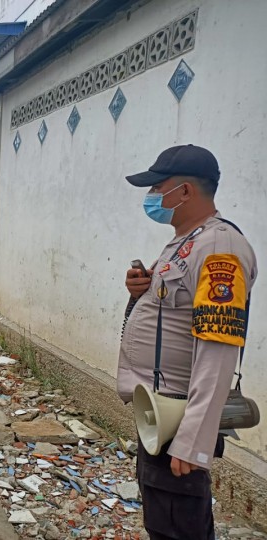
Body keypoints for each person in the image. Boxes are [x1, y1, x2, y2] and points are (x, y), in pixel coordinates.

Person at [118, 145, 257, 540]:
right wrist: (139, 292)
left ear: (184, 191)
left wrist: (192, 441)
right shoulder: (186, 242)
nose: (152, 197)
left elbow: (218, 351)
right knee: (164, 521)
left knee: (178, 528)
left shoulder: (220, 248)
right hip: (161, 411)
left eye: (157, 187)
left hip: (180, 416)